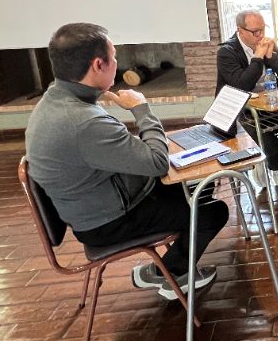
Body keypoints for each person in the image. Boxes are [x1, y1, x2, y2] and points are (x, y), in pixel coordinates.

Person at [25, 23, 228, 300]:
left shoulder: (54, 100)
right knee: (213, 212)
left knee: (199, 186)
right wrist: (141, 108)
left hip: (93, 205)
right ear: (98, 64)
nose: (117, 63)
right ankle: (171, 275)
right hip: (107, 222)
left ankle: (164, 268)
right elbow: (157, 162)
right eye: (114, 57)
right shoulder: (83, 121)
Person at [216, 9, 278, 189]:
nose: (260, 35)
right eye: (255, 32)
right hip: (241, 109)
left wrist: (272, 57)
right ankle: (276, 166)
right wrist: (258, 58)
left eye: (262, 29)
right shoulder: (226, 52)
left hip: (270, 104)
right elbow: (242, 85)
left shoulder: (268, 45)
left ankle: (265, 156)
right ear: (240, 31)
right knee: (265, 136)